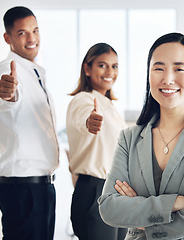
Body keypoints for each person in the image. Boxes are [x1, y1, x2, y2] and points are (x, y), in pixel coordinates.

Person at [98, 32, 184, 239]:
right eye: (158, 68)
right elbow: (109, 208)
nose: (168, 79)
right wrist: (178, 202)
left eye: (179, 69)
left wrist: (143, 217)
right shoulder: (129, 138)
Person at [0, 6, 59, 240]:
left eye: (35, 30)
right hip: (23, 188)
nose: (32, 38)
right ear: (8, 38)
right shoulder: (7, 70)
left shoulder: (33, 71)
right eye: (22, 33)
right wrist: (7, 94)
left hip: (39, 185)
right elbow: (6, 99)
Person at [66, 43, 128, 240]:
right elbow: (84, 120)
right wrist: (90, 122)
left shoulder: (109, 104)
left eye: (115, 66)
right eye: (102, 65)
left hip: (115, 191)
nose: (110, 71)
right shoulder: (83, 100)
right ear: (87, 68)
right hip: (95, 190)